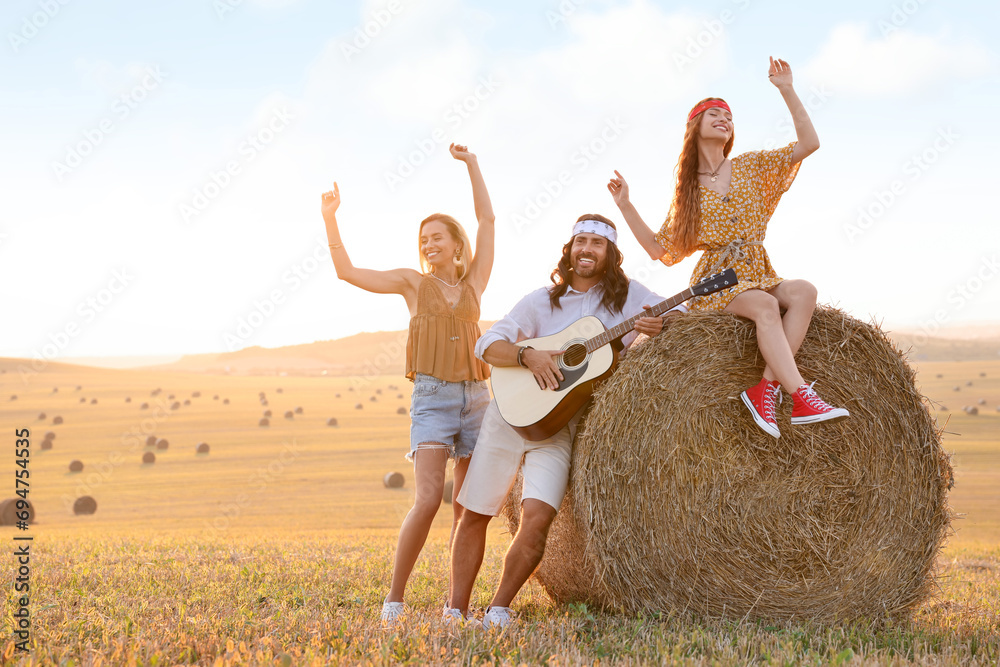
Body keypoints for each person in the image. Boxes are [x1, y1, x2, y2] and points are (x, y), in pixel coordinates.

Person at [447, 214, 685, 630]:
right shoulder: (541, 300)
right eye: (581, 241)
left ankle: (498, 609)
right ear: (569, 250)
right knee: (476, 511)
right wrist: (528, 355)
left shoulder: (628, 298)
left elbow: (685, 311)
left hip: (560, 426)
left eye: (597, 243)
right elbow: (488, 343)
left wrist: (661, 324)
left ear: (611, 254)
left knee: (538, 518)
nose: (587, 249)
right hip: (509, 415)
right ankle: (454, 610)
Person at [607, 56, 849, 439]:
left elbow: (809, 143)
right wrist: (625, 206)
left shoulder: (752, 166)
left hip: (759, 270)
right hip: (717, 282)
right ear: (695, 126)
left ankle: (765, 389)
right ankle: (801, 394)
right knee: (767, 306)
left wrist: (786, 88)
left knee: (804, 292)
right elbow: (659, 249)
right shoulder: (687, 193)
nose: (725, 119)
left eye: (730, 116)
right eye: (715, 114)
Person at [320, 143, 495, 625]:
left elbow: (488, 222)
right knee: (426, 500)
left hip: (479, 400)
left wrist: (472, 165)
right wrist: (330, 218)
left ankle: (455, 608)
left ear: (457, 245)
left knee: (468, 509)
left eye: (438, 237)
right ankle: (393, 602)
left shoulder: (476, 282)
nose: (429, 244)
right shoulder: (411, 284)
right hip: (434, 401)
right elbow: (347, 272)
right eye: (424, 239)